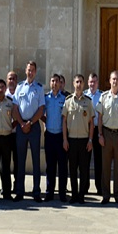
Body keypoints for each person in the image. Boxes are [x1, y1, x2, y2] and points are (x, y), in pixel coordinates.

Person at [12, 61, 45, 203]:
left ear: (35, 72)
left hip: (34, 126)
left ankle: (36, 191)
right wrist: (21, 123)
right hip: (21, 126)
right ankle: (19, 191)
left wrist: (30, 123)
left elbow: (41, 109)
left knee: (36, 159)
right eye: (28, 70)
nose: (30, 72)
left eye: (33, 70)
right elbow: (14, 108)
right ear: (25, 71)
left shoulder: (39, 88)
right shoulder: (19, 87)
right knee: (20, 160)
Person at [96, 70, 118, 205]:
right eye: (113, 79)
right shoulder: (103, 97)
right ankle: (105, 194)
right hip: (107, 134)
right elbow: (100, 117)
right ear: (110, 81)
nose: (115, 82)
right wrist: (100, 135)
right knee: (105, 166)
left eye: (117, 79)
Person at [62, 74, 95, 204]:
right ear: (73, 83)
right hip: (71, 140)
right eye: (77, 82)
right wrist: (65, 139)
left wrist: (91, 140)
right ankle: (74, 194)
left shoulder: (88, 101)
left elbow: (92, 123)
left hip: (84, 140)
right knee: (73, 169)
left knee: (84, 169)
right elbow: (64, 121)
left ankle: (81, 195)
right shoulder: (68, 101)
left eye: (81, 82)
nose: (79, 84)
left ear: (84, 84)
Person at [41, 74, 68, 202]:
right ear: (50, 83)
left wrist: (65, 138)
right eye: (52, 81)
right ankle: (49, 192)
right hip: (50, 136)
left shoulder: (65, 99)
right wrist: (46, 122)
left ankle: (62, 193)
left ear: (60, 83)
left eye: (57, 81)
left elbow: (66, 118)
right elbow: (40, 113)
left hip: (60, 136)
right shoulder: (46, 98)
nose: (54, 83)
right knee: (50, 166)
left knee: (62, 166)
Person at [83, 73, 103, 195]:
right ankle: (85, 186)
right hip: (87, 130)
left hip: (98, 130)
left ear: (97, 83)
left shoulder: (102, 96)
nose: (92, 84)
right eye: (90, 82)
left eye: (94, 82)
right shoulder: (84, 95)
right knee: (86, 160)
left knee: (99, 160)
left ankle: (99, 187)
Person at [6, 71, 19, 193]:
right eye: (10, 78)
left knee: (17, 161)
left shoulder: (20, 95)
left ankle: (17, 185)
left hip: (17, 133)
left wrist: (14, 124)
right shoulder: (2, 95)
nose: (12, 81)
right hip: (5, 134)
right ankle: (6, 187)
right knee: (5, 162)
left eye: (14, 78)